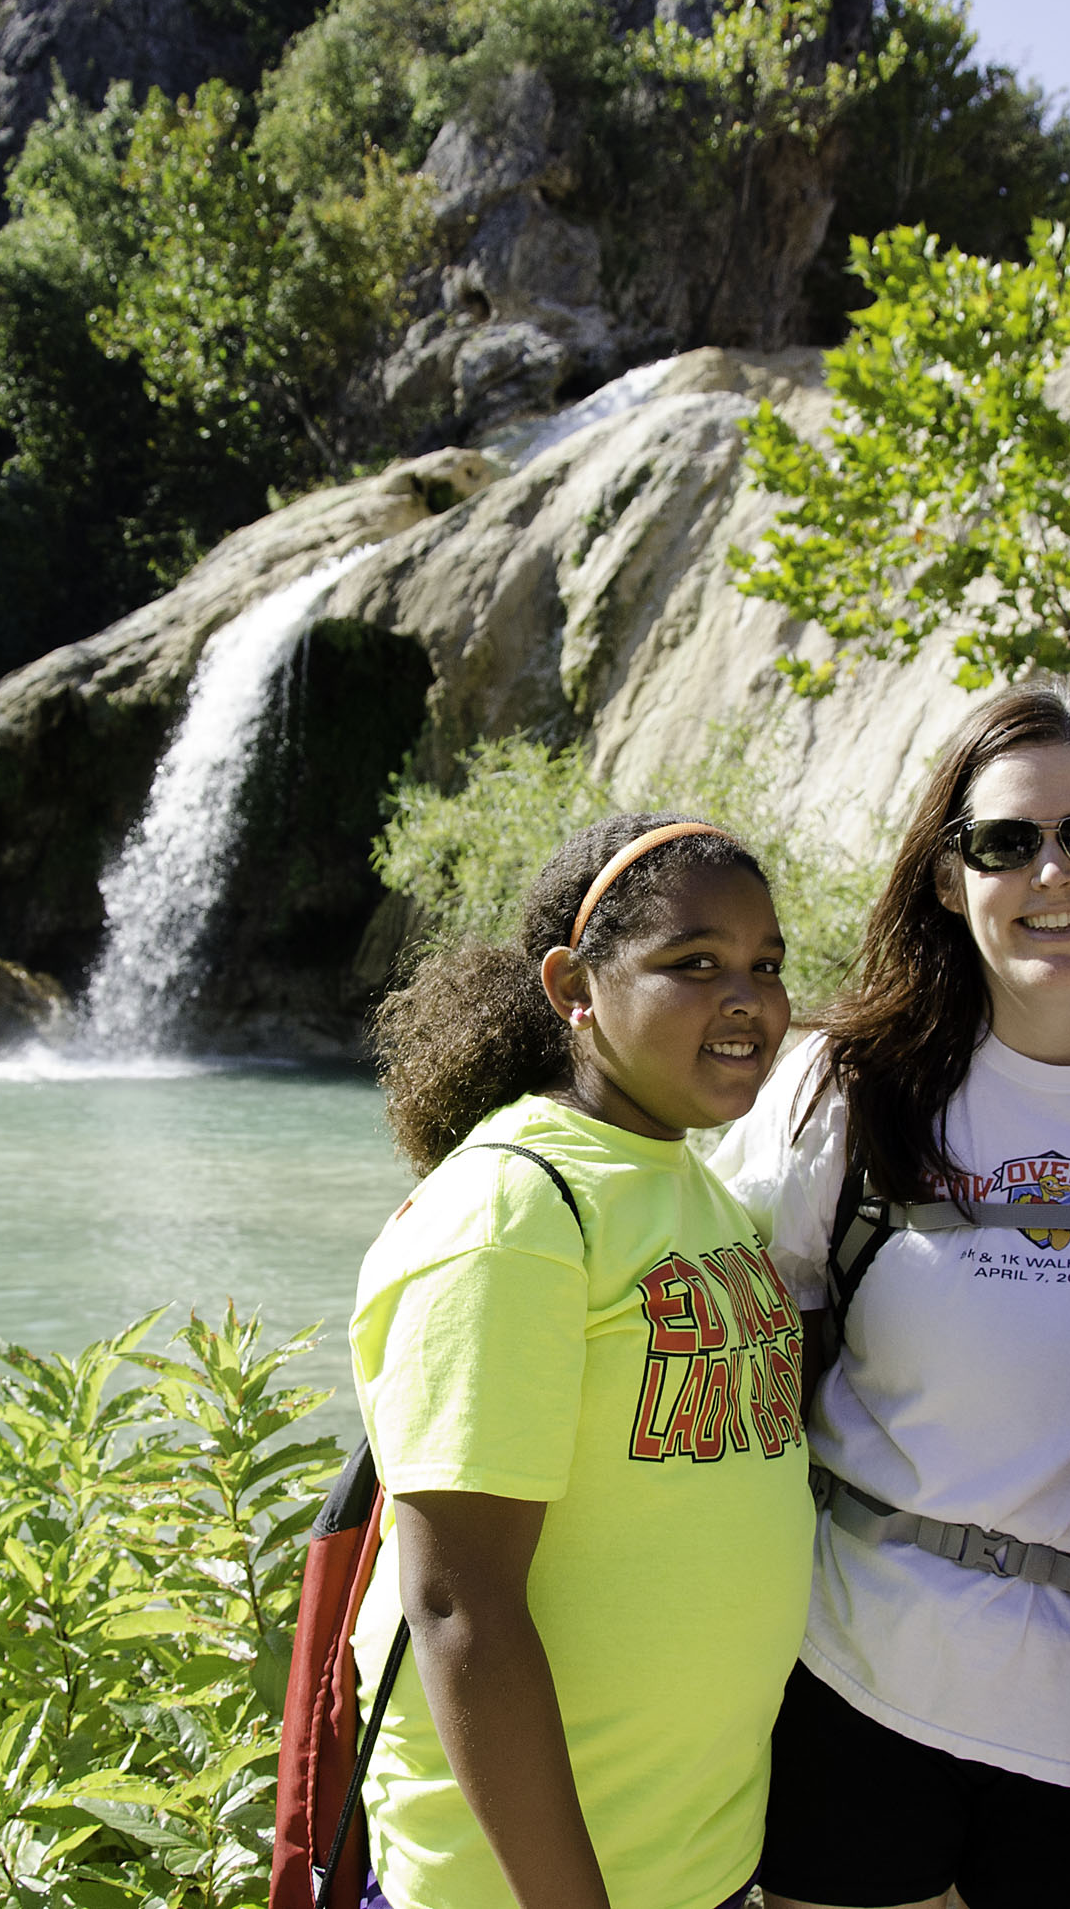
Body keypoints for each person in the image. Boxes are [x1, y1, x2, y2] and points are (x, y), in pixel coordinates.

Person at [713, 684, 1070, 1909]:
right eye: (1007, 842)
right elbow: (723, 1327)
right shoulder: (848, 1089)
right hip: (854, 1676)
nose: (1052, 871)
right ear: (951, 878)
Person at [348, 815, 816, 1909]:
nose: (747, 997)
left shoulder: (694, 1186)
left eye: (766, 964)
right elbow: (458, 1602)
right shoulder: (514, 1209)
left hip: (695, 1866)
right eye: (693, 963)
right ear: (574, 985)